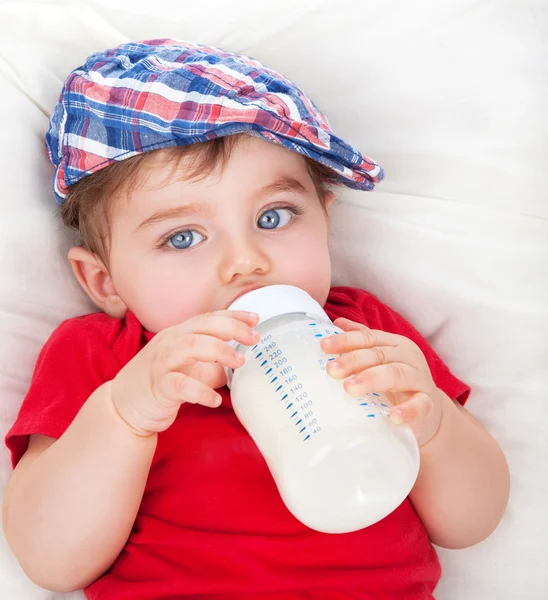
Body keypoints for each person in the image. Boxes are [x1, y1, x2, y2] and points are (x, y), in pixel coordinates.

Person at [2, 39, 509, 600]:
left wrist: (430, 419)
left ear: (324, 221)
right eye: (182, 237)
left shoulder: (362, 334)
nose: (246, 261)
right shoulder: (105, 357)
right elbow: (49, 561)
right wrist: (126, 416)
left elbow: (471, 524)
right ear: (106, 282)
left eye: (274, 215)